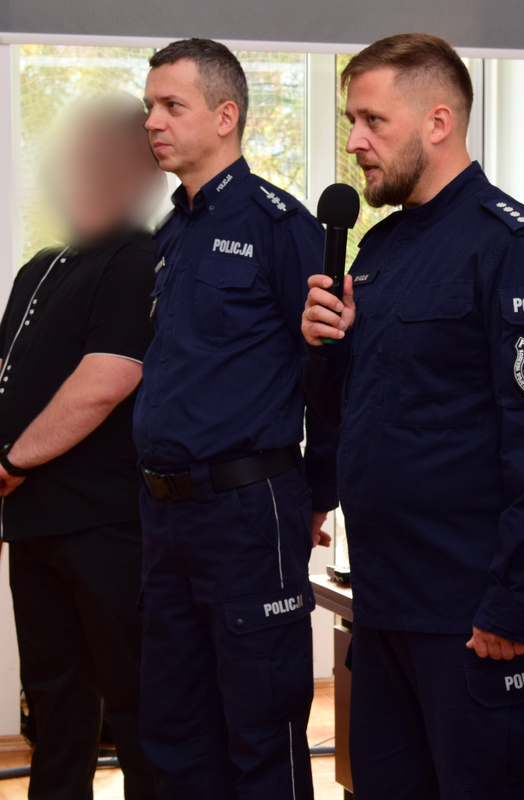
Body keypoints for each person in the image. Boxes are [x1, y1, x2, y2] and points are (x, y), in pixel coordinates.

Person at [300, 34, 524, 799]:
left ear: (437, 121)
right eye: (350, 121)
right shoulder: (380, 249)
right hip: (385, 607)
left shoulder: (514, 246)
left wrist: (515, 604)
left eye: (372, 120)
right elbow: (356, 414)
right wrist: (324, 347)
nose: (354, 142)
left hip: (475, 622)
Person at [135, 38, 337, 800]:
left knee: (260, 733)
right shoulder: (171, 235)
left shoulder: (279, 226)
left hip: (248, 510)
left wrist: (318, 492)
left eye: (171, 105)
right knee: (175, 731)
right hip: (166, 515)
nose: (152, 121)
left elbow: (330, 370)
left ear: (226, 117)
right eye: (149, 106)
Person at [0, 95, 162, 800]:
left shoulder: (140, 260)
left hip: (105, 525)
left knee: (133, 700)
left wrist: (12, 461)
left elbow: (106, 381)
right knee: (54, 701)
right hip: (31, 522)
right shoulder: (38, 267)